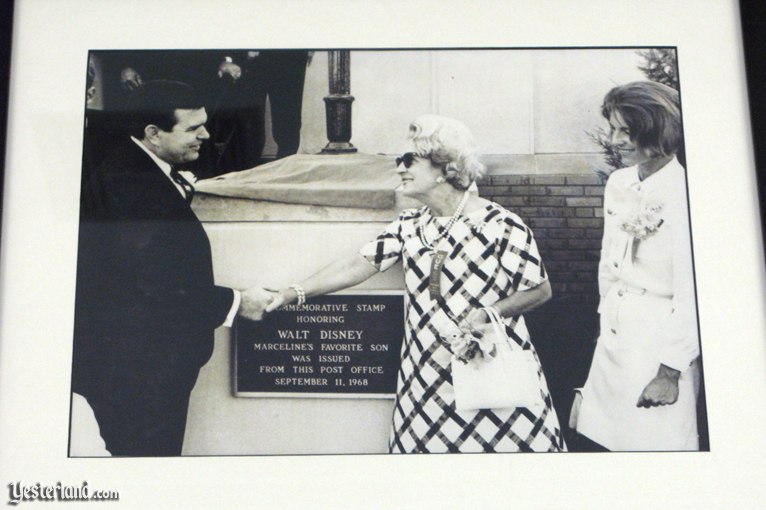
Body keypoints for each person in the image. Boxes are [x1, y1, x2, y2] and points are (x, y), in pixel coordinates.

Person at [248, 114, 565, 453]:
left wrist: (488, 313)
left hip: (489, 371)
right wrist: (292, 293)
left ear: (446, 168)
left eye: (410, 160)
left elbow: (539, 290)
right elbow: (359, 263)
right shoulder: (410, 224)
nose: (400, 168)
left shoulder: (502, 225)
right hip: (426, 375)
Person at [72, 80, 272, 456]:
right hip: (137, 373)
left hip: (140, 366)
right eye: (193, 128)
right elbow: (157, 284)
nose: (206, 134)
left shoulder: (136, 169)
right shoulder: (134, 187)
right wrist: (236, 302)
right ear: (153, 133)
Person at [569, 81, 700, 451]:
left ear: (659, 129)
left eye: (627, 131)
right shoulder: (619, 182)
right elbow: (608, 262)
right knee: (604, 441)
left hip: (660, 344)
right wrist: (605, 322)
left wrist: (670, 372)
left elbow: (694, 293)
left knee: (657, 444)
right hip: (614, 338)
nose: (616, 140)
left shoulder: (686, 192)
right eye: (613, 129)